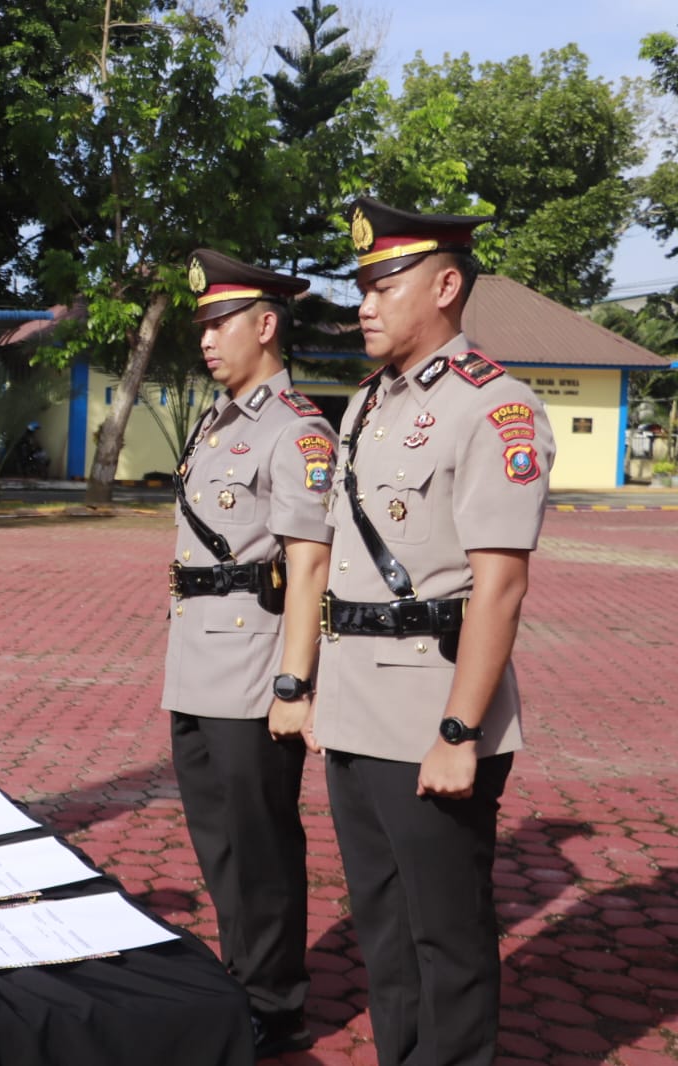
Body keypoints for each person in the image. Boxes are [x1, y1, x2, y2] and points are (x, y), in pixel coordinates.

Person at [310, 197, 555, 1066]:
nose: (364, 304)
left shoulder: (496, 407)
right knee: (382, 926)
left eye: (384, 284)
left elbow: (500, 588)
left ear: (446, 285)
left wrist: (458, 732)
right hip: (354, 708)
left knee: (445, 936)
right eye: (361, 287)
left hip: (430, 712)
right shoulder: (366, 404)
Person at [164, 249, 334, 1059]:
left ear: (266, 326)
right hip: (197, 660)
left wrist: (295, 682)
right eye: (202, 325)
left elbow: (309, 565)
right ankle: (243, 976)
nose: (207, 338)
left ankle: (274, 1001)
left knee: (260, 840)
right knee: (219, 838)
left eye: (220, 322)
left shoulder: (296, 427)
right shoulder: (219, 419)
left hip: (255, 662)